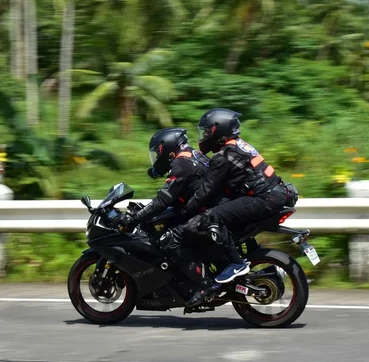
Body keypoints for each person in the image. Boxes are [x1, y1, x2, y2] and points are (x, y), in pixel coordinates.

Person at [181, 108, 298, 306]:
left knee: (212, 217)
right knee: (232, 218)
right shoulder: (240, 146)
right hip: (278, 193)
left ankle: (235, 263)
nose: (205, 136)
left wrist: (185, 211)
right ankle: (257, 262)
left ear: (219, 130)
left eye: (207, 131)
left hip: (264, 199)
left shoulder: (224, 155)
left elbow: (205, 191)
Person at [116, 128, 215, 289]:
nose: (157, 157)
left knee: (168, 240)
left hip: (205, 213)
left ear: (166, 148)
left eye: (157, 153)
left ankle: (205, 284)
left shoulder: (181, 165)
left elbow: (163, 200)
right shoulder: (192, 154)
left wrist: (135, 218)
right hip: (206, 207)